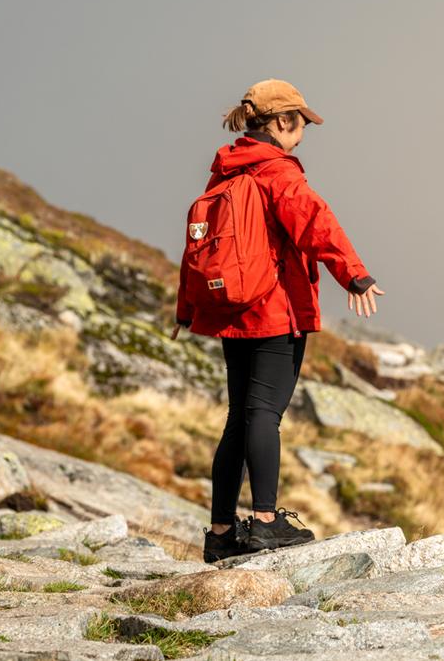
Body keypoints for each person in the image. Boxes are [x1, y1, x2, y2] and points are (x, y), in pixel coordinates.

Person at [172, 78, 386, 563]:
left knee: (237, 420)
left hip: (230, 313)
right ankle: (266, 524)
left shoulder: (224, 173)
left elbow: (199, 248)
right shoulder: (278, 172)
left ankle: (221, 532)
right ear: (282, 122)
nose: (303, 133)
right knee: (265, 416)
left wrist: (187, 310)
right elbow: (316, 223)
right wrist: (355, 276)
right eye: (301, 123)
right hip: (273, 311)